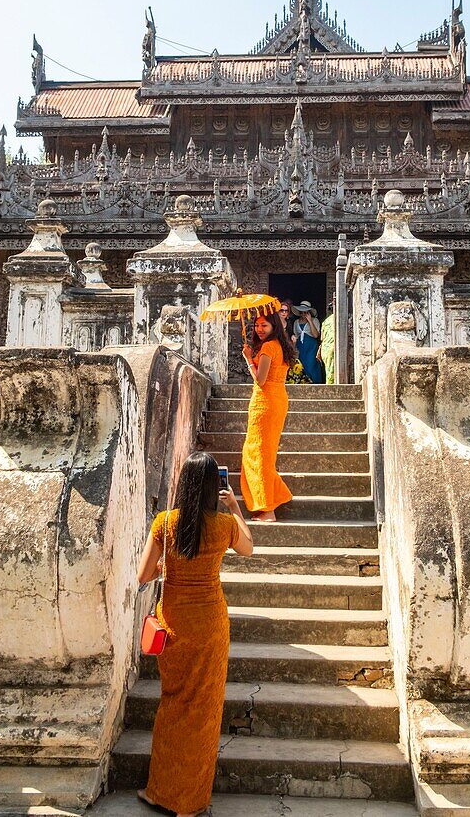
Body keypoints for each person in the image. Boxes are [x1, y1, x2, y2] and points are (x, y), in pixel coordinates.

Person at [136, 451, 253, 817]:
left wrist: (164, 567)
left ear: (183, 483)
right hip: (211, 625)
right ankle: (191, 801)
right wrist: (234, 506)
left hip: (174, 625)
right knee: (203, 710)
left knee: (173, 703)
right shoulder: (224, 525)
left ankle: (160, 792)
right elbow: (249, 548)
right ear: (211, 487)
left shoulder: (165, 524)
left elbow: (143, 576)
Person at [241, 311, 296, 522]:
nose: (259, 329)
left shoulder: (268, 347)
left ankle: (268, 508)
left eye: (264, 325)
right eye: (256, 325)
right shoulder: (281, 346)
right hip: (278, 399)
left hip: (265, 403)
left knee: (257, 454)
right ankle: (276, 495)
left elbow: (260, 380)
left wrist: (248, 360)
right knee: (263, 453)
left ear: (273, 326)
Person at [291, 301, 324, 384]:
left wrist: (310, 321)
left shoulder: (315, 320)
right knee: (301, 366)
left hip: (311, 347)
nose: (303, 314)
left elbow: (316, 335)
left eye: (305, 312)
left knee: (311, 365)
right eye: (301, 312)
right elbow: (296, 335)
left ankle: (315, 384)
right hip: (300, 347)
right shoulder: (296, 322)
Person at [320, 298, 335, 385]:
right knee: (332, 371)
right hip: (333, 347)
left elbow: (322, 337)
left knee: (329, 371)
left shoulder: (326, 321)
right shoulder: (340, 318)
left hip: (325, 348)